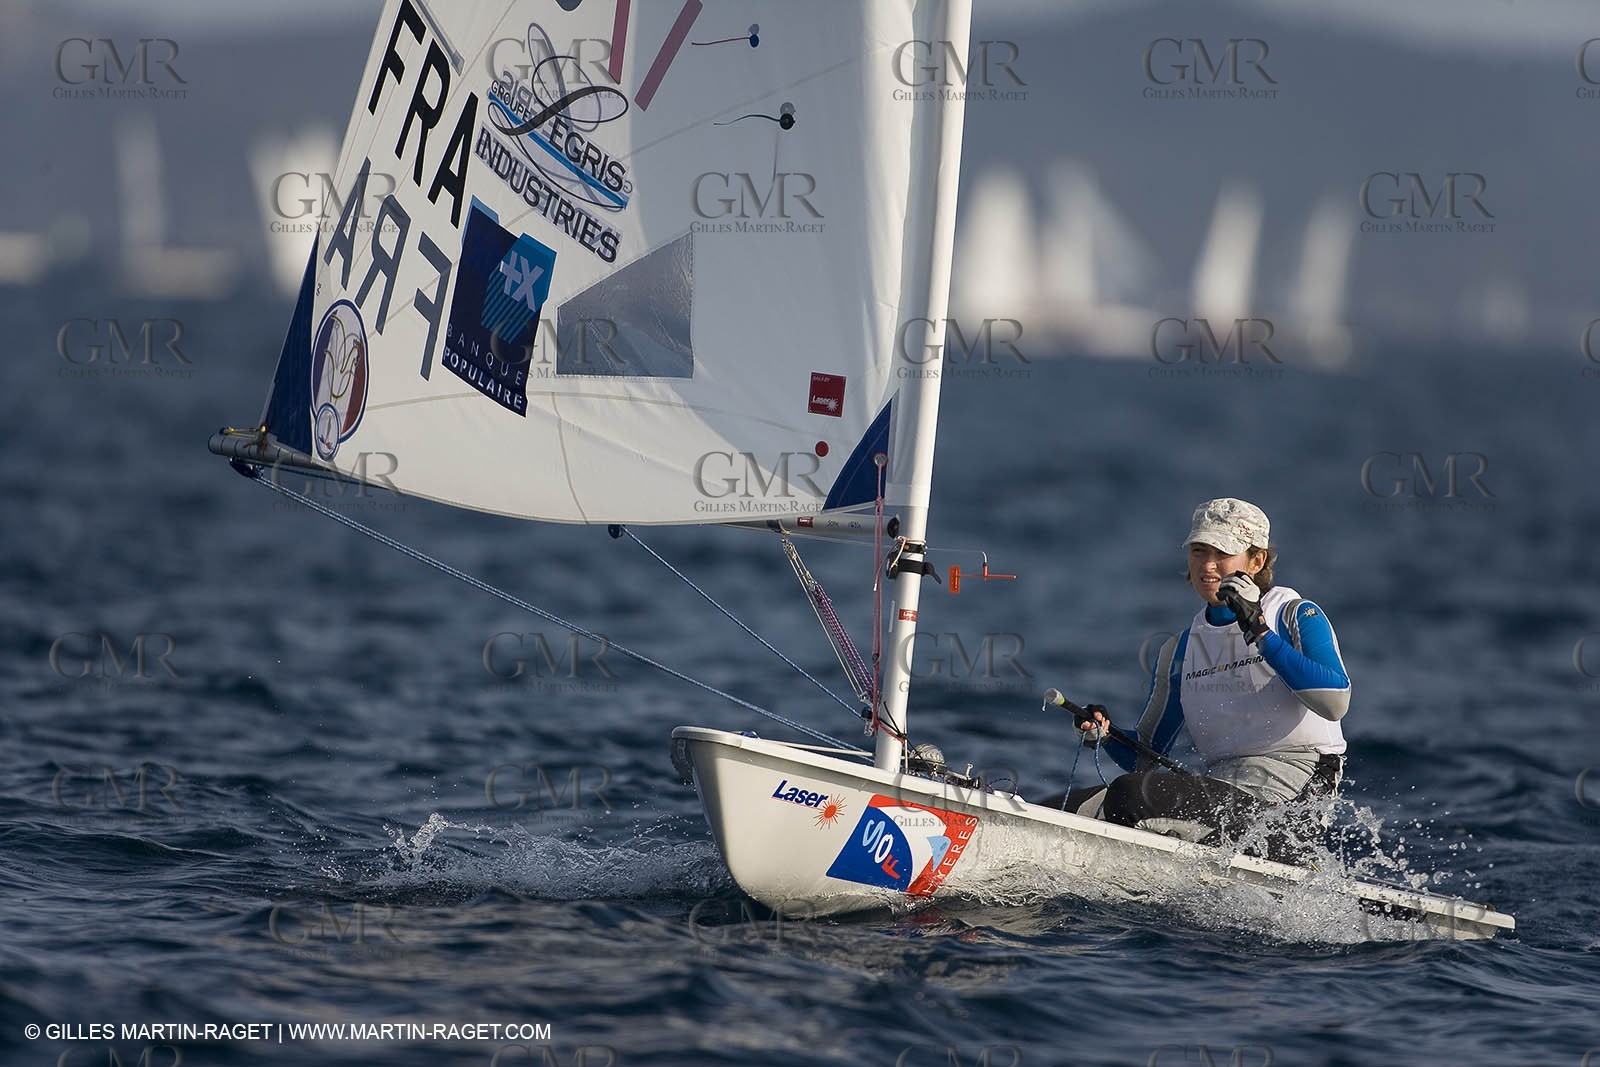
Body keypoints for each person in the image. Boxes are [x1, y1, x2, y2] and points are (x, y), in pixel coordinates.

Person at [1065, 498, 1351, 861]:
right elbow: (1147, 754)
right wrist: (1103, 734)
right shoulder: (1182, 647)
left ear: (1256, 561)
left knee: (1129, 795)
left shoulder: (1295, 615)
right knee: (1068, 805)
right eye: (1199, 551)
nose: (1208, 565)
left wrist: (1259, 631)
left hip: (1289, 810)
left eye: (1223, 553)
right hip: (1224, 793)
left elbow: (1335, 702)